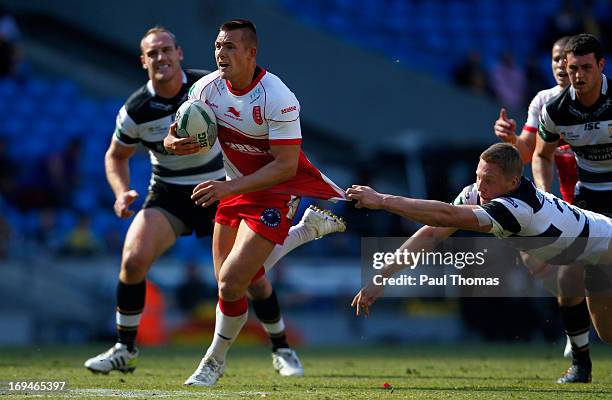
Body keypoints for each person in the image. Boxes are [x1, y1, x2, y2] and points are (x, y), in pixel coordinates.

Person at [84, 26, 345, 377]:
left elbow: (282, 161)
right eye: (153, 53)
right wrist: (126, 188)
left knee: (245, 279)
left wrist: (230, 184)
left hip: (228, 185)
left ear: (179, 53)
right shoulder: (139, 109)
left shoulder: (234, 88)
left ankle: (278, 347)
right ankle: (124, 349)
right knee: (134, 260)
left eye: (166, 50)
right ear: (143, 61)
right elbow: (119, 155)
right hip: (173, 192)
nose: (161, 58)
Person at [163, 19, 346, 387]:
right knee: (234, 284)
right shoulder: (205, 90)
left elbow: (284, 166)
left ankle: (213, 362)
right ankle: (304, 236)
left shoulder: (277, 97)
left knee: (233, 280)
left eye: (230, 46)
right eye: (217, 46)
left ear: (251, 53)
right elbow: (177, 128)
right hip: (235, 188)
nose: (220, 53)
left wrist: (229, 189)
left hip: (276, 192)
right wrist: (172, 142)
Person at [348, 143, 612, 351]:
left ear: (512, 183)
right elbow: (432, 233)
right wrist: (382, 276)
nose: (481, 187)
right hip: (591, 259)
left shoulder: (518, 208)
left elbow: (445, 216)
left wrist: (382, 200)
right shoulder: (479, 192)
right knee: (607, 334)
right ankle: (580, 364)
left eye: (489, 180)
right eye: (478, 176)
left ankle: (579, 362)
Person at [494, 36, 586, 383]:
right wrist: (511, 139)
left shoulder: (598, 101)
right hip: (567, 198)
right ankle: (577, 334)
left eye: (568, 59)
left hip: (599, 194)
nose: (562, 66)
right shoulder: (544, 101)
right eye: (556, 59)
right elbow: (528, 152)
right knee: (539, 262)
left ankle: (579, 331)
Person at [533, 33, 612, 383]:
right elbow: (540, 154)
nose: (579, 75)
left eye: (586, 68)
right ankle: (581, 364)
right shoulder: (556, 111)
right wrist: (542, 198)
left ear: (601, 66)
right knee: (604, 325)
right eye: (573, 68)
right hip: (590, 202)